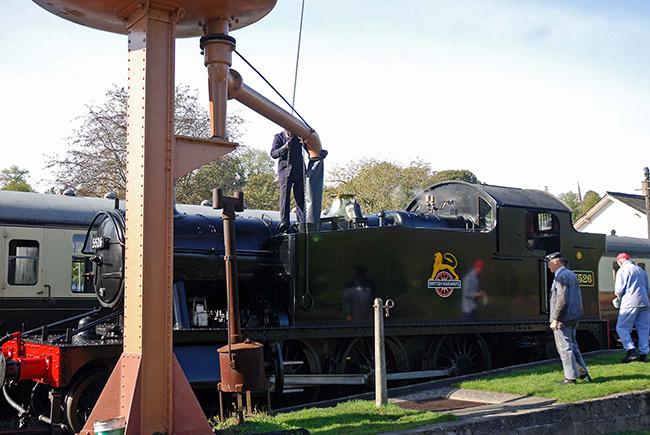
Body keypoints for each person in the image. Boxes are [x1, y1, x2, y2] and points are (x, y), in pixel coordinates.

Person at [546, 252, 592, 384]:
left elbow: (562, 300)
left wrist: (555, 318)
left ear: (555, 262)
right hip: (573, 315)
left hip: (563, 317)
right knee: (573, 346)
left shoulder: (561, 277)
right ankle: (584, 374)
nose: (548, 267)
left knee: (564, 348)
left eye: (549, 263)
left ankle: (570, 378)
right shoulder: (571, 274)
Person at [614, 252, 650, 363]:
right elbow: (647, 288)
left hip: (629, 302)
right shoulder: (641, 270)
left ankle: (631, 350)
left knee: (622, 327)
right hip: (644, 302)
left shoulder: (622, 270)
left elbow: (619, 290)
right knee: (643, 328)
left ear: (620, 261)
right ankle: (644, 354)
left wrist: (618, 298)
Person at [270, 129, 306, 231]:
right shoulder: (278, 137)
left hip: (299, 171)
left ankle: (302, 223)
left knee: (300, 199)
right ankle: (284, 222)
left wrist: (318, 152)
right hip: (285, 171)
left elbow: (309, 148)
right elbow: (273, 153)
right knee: (285, 197)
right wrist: (284, 148)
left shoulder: (299, 136)